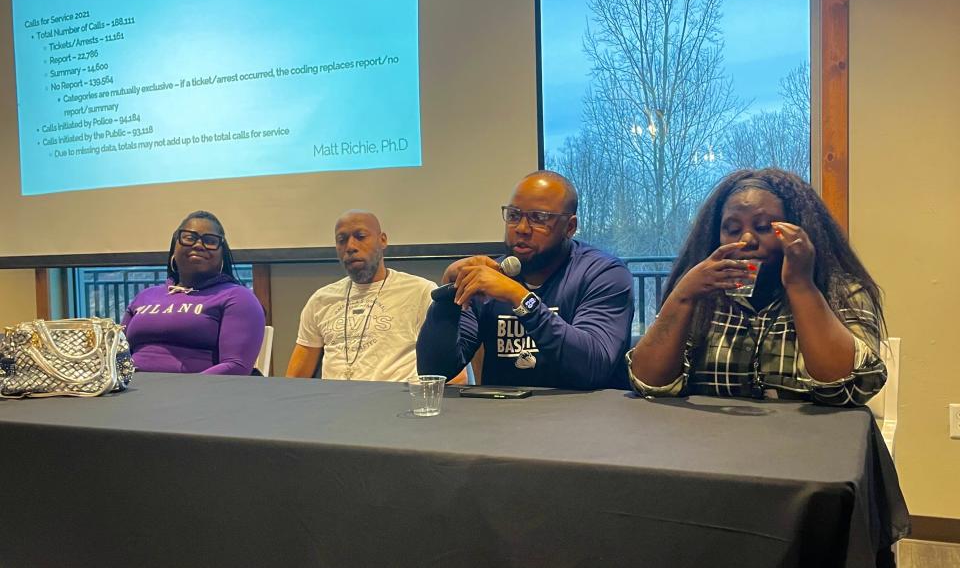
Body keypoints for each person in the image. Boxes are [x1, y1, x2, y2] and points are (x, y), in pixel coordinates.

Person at [626, 168, 886, 405]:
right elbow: (650, 384)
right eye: (732, 229)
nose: (747, 239)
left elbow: (849, 389)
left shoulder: (842, 292)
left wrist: (800, 285)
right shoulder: (702, 296)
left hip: (810, 448)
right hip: (708, 445)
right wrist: (682, 296)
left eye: (763, 227)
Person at [416, 171, 634, 390]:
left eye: (539, 218)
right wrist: (446, 300)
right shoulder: (490, 277)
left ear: (570, 227)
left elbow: (593, 368)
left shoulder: (603, 274)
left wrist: (520, 298)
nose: (521, 228)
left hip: (584, 418)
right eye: (513, 215)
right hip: (502, 418)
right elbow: (435, 371)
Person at [286, 211, 438, 382]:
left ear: (382, 240)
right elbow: (294, 380)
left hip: (395, 402)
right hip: (333, 403)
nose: (350, 246)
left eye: (361, 236)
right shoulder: (321, 300)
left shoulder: (420, 292)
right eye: (342, 240)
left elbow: (450, 375)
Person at [122, 211, 265, 375]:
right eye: (189, 238)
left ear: (222, 255)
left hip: (198, 396)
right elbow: (116, 353)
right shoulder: (145, 296)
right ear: (174, 248)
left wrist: (181, 391)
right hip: (131, 392)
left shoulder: (238, 298)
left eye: (210, 241)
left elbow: (236, 366)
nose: (198, 245)